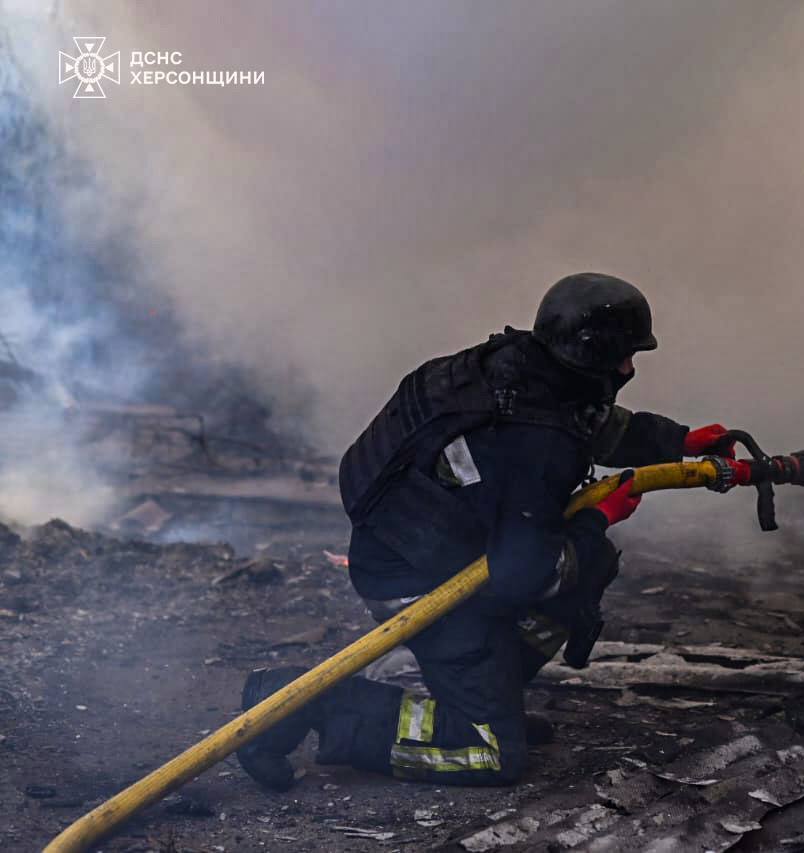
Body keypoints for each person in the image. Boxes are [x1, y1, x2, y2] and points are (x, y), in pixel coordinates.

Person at [236, 272, 737, 789]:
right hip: (424, 584)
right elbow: (524, 575)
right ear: (590, 352)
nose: (630, 368)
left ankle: (485, 695)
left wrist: (681, 441)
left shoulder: (521, 369)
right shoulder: (534, 441)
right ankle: (303, 704)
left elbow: (592, 424)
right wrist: (597, 518)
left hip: (432, 549)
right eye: (625, 355)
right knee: (491, 754)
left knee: (590, 563)